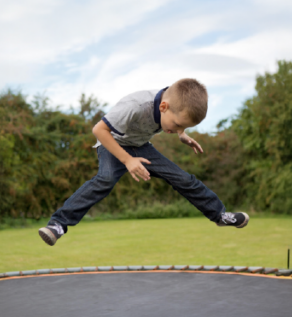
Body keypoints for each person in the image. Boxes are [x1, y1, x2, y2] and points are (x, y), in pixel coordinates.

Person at [38, 78, 249, 246]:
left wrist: (181, 134)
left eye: (181, 127)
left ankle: (220, 216)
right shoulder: (135, 106)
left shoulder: (174, 104)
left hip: (141, 145)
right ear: (163, 107)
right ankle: (58, 225)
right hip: (112, 144)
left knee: (183, 179)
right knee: (106, 178)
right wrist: (127, 160)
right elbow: (99, 130)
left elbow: (178, 116)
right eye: (176, 126)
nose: (175, 129)